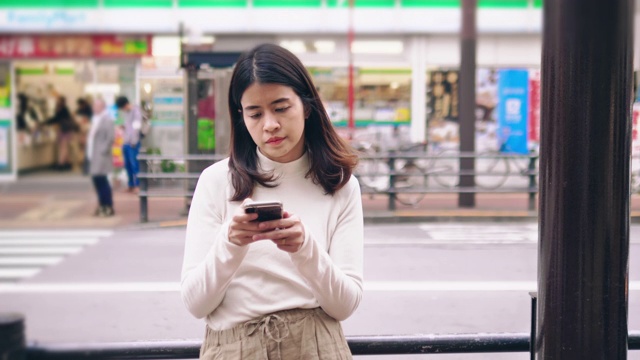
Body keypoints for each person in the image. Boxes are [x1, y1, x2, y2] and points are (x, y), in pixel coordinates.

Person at [181, 43, 364, 359]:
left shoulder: (340, 186)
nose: (269, 125)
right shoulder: (215, 181)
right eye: (254, 113)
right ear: (242, 116)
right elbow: (196, 303)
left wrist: (304, 248)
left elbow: (345, 305)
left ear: (306, 106)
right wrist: (231, 241)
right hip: (234, 347)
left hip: (316, 346)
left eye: (281, 108)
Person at [86, 98, 115, 217]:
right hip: (94, 155)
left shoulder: (107, 119)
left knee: (102, 181)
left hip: (101, 155)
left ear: (102, 106)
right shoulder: (96, 119)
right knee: (97, 181)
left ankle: (107, 205)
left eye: (96, 106)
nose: (93, 108)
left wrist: (103, 150)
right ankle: (102, 205)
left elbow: (110, 137)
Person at [42, 96, 78, 171]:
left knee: (63, 147)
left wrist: (45, 123)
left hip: (65, 130)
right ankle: (68, 163)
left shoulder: (62, 109)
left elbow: (56, 118)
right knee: (64, 147)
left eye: (58, 100)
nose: (57, 101)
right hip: (65, 130)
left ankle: (61, 163)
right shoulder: (63, 109)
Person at [114, 95, 142, 193]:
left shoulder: (136, 111)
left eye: (122, 107)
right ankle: (131, 185)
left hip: (133, 143)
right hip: (125, 142)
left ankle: (137, 185)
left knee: (135, 164)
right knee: (127, 165)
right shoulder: (126, 113)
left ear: (125, 104)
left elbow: (136, 127)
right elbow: (128, 126)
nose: (122, 109)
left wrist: (134, 141)